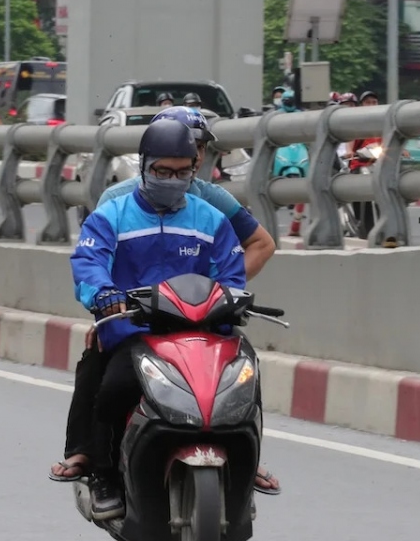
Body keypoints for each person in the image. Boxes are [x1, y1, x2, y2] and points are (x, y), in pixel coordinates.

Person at [50, 106, 281, 495]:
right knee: (110, 384)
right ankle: (101, 472)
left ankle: (245, 459)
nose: (173, 179)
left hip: (200, 327)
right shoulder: (113, 210)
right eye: (162, 171)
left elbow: (232, 269)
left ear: (196, 163)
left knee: (245, 368)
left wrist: (228, 300)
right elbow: (89, 262)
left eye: (182, 170)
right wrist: (104, 300)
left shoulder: (211, 214)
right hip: (133, 329)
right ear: (145, 165)